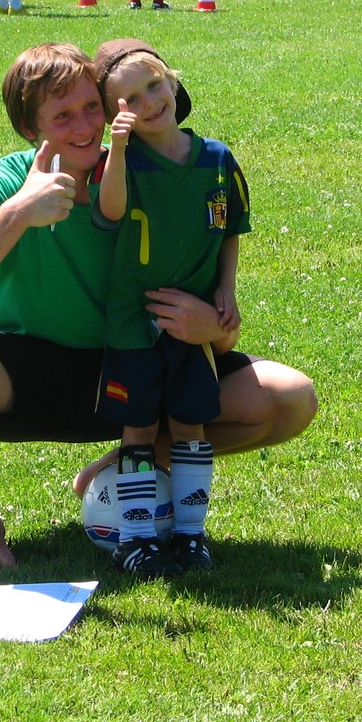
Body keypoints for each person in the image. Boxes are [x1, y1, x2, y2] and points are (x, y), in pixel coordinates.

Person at [0, 42, 318, 569]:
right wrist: (17, 214)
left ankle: (125, 466)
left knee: (291, 398)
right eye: (61, 116)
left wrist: (211, 328)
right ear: (29, 130)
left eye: (91, 108)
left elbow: (217, 323)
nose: (84, 127)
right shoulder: (1, 184)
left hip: (136, 368)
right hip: (31, 378)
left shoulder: (140, 178)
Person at [91, 39, 248, 576]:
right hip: (134, 322)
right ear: (117, 114)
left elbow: (230, 229)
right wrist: (115, 150)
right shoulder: (127, 163)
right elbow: (110, 211)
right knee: (136, 429)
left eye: (153, 84)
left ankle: (190, 534)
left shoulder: (217, 160)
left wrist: (226, 288)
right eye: (129, 98)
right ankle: (136, 538)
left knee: (190, 425)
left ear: (174, 81)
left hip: (191, 323)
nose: (148, 101)